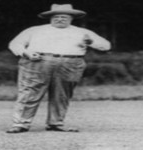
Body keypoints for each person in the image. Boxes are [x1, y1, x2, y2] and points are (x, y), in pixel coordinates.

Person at [6, 4, 111, 133]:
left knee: (62, 94)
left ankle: (56, 123)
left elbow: (106, 46)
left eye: (64, 17)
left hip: (71, 63)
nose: (60, 19)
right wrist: (26, 53)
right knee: (30, 92)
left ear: (71, 18)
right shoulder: (35, 30)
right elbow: (15, 43)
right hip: (38, 61)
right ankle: (20, 124)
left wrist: (91, 42)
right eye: (56, 16)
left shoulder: (82, 32)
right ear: (50, 18)